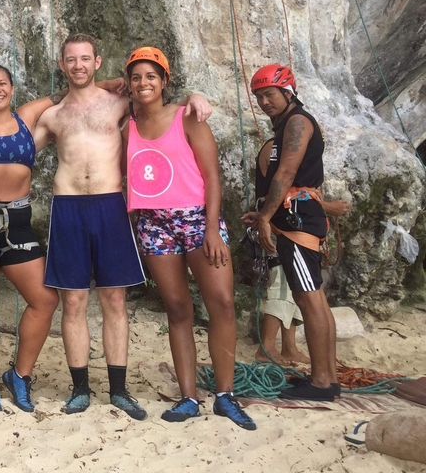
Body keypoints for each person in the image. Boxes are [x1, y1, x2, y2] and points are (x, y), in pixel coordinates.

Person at [32, 34, 210, 419]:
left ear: (97, 62)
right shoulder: (53, 115)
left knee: (114, 300)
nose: (78, 65)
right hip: (67, 208)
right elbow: (20, 147)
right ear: (62, 65)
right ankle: (80, 388)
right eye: (70, 60)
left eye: (84, 59)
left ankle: (118, 389)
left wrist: (193, 95)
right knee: (74, 301)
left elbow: (157, 99)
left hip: (111, 206)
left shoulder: (120, 104)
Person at [0, 65, 124, 412]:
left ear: (13, 87)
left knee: (45, 300)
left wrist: (105, 84)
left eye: (3, 83)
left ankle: (19, 375)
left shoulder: (27, 115)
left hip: (17, 220)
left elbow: (65, 94)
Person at [123, 46, 255, 430]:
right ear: (128, 84)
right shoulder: (126, 125)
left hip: (198, 219)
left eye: (151, 76)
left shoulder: (188, 118)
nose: (143, 83)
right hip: (153, 223)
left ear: (165, 80)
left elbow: (213, 176)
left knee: (222, 303)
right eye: (136, 77)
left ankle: (226, 396)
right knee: (178, 309)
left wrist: (213, 228)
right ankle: (187, 397)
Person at [241, 64, 339, 401]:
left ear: (288, 92)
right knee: (316, 301)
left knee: (309, 301)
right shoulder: (289, 124)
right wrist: (265, 214)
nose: (264, 101)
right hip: (298, 216)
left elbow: (286, 172)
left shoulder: (297, 122)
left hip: (296, 220)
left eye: (269, 94)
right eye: (259, 96)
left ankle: (323, 383)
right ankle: (326, 377)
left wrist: (266, 217)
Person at [251, 137, 351, 367]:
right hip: (282, 226)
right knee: (282, 285)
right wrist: (327, 206)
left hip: (294, 225)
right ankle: (266, 347)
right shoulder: (277, 149)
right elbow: (285, 193)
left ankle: (289, 347)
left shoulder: (290, 151)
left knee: (296, 288)